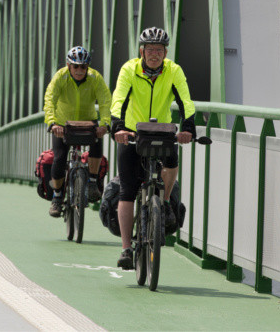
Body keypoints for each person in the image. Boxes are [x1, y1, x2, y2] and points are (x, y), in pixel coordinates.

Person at [111, 27, 196, 269]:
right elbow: (119, 99)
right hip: (132, 133)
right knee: (127, 190)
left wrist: (188, 127)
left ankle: (166, 202)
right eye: (150, 49)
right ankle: (126, 248)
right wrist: (118, 127)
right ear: (142, 51)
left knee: (171, 163)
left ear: (165, 52)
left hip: (161, 131)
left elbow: (185, 101)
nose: (155, 54)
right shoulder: (129, 69)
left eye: (159, 50)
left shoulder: (173, 71)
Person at [43, 46, 111, 217]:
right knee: (59, 158)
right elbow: (50, 99)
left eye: (83, 67)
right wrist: (52, 123)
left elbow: (105, 101)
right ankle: (57, 197)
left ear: (88, 67)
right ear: (68, 65)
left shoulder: (95, 78)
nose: (80, 70)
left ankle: (93, 182)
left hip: (87, 122)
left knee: (97, 144)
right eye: (76, 66)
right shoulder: (60, 77)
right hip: (63, 124)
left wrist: (104, 124)